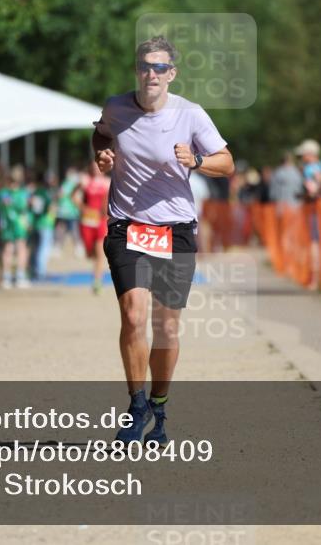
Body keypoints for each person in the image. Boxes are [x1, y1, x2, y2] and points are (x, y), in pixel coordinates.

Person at [92, 35, 234, 445]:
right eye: (144, 66)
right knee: (134, 316)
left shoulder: (191, 115)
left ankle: (159, 406)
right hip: (127, 225)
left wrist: (198, 161)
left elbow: (228, 162)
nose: (151, 74)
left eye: (159, 68)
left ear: (171, 74)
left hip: (175, 230)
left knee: (166, 328)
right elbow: (101, 135)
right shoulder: (116, 107)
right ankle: (136, 408)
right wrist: (103, 155)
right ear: (137, 70)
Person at [76, 161, 110, 294]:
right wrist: (82, 208)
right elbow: (73, 196)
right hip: (87, 221)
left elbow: (110, 199)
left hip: (101, 220)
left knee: (100, 251)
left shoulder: (107, 182)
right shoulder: (84, 181)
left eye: (98, 167)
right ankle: (96, 271)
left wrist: (106, 211)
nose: (96, 169)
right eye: (93, 167)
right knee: (90, 254)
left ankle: (97, 281)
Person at [296, 139, 321, 289]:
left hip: (314, 208)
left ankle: (315, 279)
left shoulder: (309, 169)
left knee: (314, 242)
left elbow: (313, 190)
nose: (301, 158)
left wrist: (305, 195)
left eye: (303, 155)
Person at [0, 165, 31, 288]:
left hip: (8, 225)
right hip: (19, 224)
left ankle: (7, 277)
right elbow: (24, 208)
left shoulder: (3, 193)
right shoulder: (23, 193)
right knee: (20, 249)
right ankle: (19, 276)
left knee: (8, 249)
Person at [29, 171, 57, 282]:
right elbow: (39, 209)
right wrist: (49, 208)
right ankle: (40, 271)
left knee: (36, 248)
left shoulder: (38, 192)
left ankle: (35, 270)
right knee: (43, 248)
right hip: (44, 224)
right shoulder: (43, 193)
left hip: (39, 223)